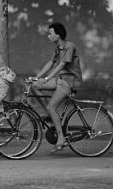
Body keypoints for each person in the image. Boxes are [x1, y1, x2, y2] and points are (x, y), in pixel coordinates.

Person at [33, 22, 82, 153]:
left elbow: (61, 65)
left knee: (51, 106)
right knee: (34, 86)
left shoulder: (69, 46)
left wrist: (47, 78)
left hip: (69, 81)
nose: (48, 36)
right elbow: (50, 63)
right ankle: (50, 114)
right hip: (59, 79)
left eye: (50, 34)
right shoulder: (57, 47)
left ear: (58, 34)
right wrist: (37, 78)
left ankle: (61, 139)